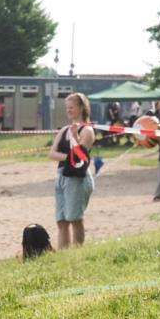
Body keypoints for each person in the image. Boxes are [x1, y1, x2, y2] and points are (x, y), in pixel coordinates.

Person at [49, 93, 95, 247]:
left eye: (71, 107)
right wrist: (68, 156)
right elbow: (52, 153)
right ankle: (63, 253)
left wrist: (75, 137)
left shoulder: (87, 131)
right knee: (61, 221)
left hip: (77, 178)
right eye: (66, 107)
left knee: (75, 218)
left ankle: (77, 251)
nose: (68, 110)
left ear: (81, 108)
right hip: (61, 176)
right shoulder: (64, 130)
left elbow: (79, 156)